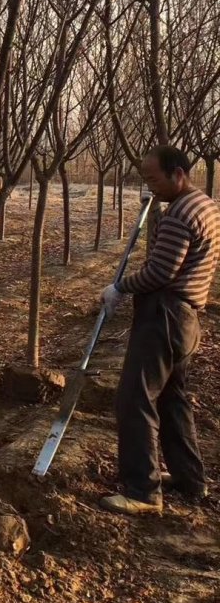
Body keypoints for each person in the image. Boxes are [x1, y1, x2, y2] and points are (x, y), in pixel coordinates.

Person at [98, 145, 218, 515]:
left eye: (153, 178)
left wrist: (120, 287)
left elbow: (161, 272)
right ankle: (189, 479)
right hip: (186, 320)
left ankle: (142, 491)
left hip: (164, 316)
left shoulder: (179, 214)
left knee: (134, 399)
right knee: (172, 399)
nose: (149, 187)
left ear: (178, 174)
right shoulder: (206, 205)